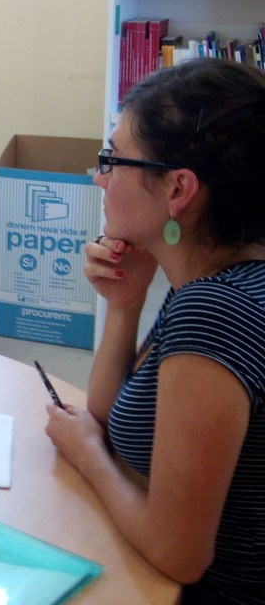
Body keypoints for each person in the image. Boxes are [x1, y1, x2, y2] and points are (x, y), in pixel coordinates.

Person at [44, 58, 265, 604]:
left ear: (178, 189)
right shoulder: (221, 278)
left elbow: (180, 555)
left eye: (112, 160)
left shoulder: (214, 311)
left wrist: (89, 456)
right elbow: (109, 420)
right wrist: (126, 304)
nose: (99, 177)